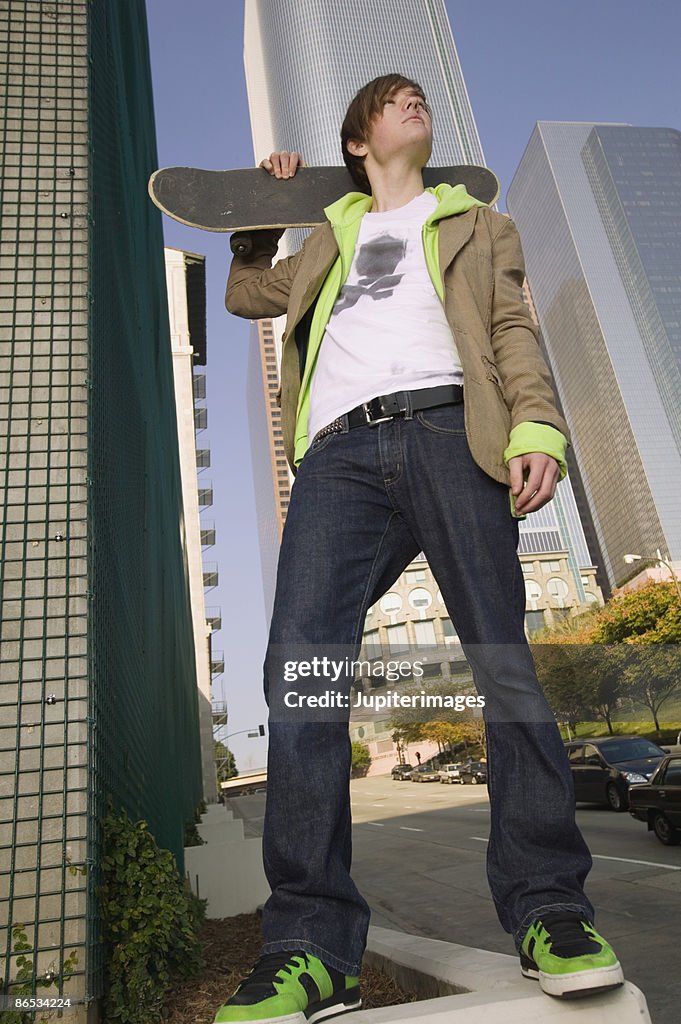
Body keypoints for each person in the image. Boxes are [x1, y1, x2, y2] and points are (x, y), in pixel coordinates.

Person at [216, 74, 623, 1023]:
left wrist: (537, 430)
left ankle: (549, 911)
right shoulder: (329, 233)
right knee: (302, 674)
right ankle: (311, 947)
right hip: (339, 456)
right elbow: (246, 295)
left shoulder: (480, 223)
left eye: (420, 101)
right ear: (359, 140)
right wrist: (259, 211)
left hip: (452, 433)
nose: (416, 106)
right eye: (394, 101)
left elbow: (513, 330)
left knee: (501, 664)